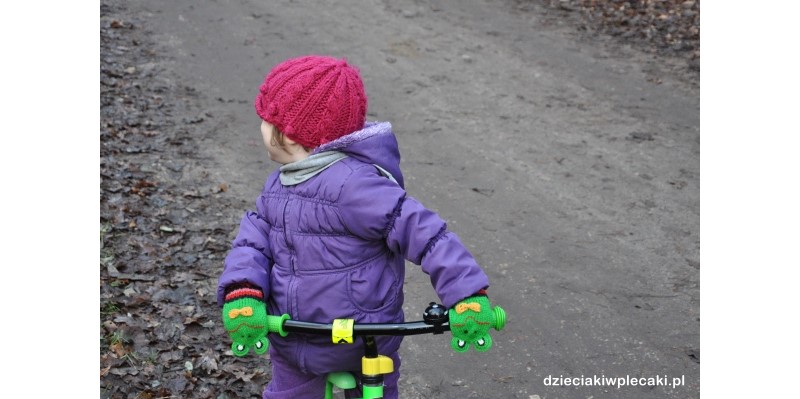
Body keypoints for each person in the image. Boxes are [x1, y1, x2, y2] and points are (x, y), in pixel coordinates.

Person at [217, 55, 500, 399]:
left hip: (364, 340)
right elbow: (252, 243)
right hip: (293, 335)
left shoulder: (355, 186)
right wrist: (244, 291)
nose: (260, 127)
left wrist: (465, 294)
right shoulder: (279, 185)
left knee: (376, 391)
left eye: (265, 120)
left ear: (288, 134)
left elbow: (424, 233)